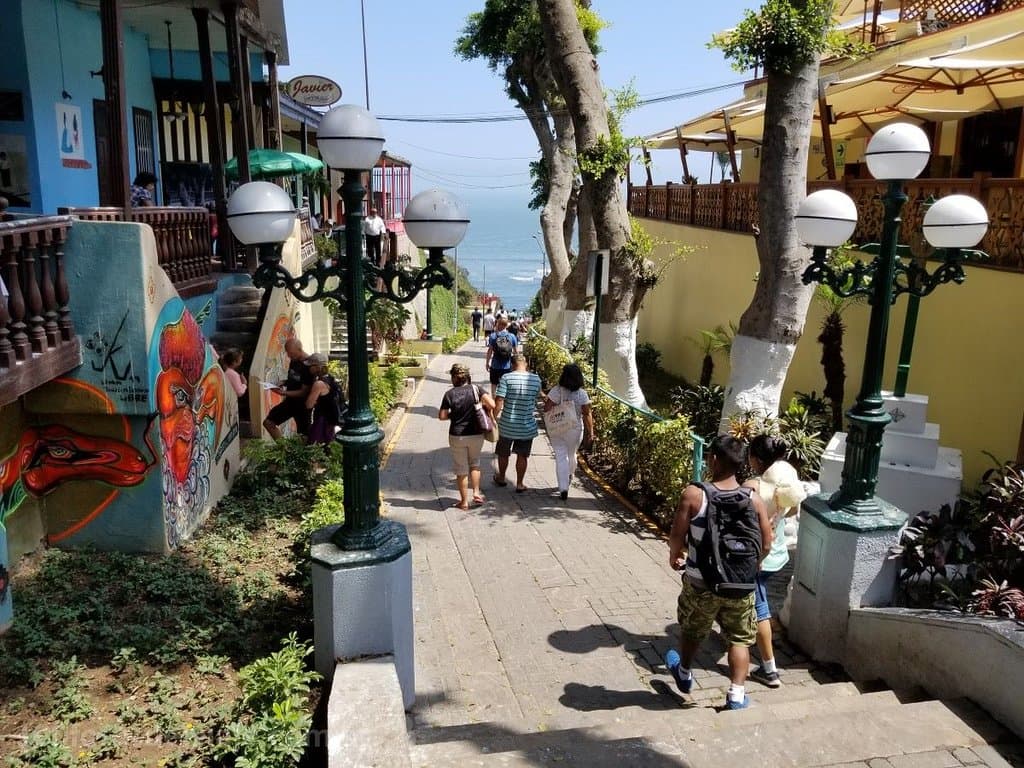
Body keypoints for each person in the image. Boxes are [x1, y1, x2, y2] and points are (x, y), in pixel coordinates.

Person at [664, 435, 772, 710]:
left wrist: (675, 555)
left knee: (692, 629)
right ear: (740, 464)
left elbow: (677, 534)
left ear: (713, 459)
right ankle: (736, 694)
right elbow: (767, 542)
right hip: (740, 584)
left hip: (701, 582)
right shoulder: (753, 499)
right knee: (739, 638)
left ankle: (685, 674)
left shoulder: (694, 494)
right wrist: (751, 565)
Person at [744, 434, 807, 688]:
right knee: (750, 601)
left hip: (758, 557)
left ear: (756, 459)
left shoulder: (755, 487)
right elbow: (790, 511)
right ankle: (738, 634)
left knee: (760, 609)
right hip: (777, 555)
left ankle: (769, 669)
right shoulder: (785, 479)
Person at [439, 363, 496, 509]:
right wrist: (481, 408)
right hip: (476, 434)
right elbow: (492, 404)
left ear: (453, 378)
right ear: (467, 377)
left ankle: (464, 502)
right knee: (475, 463)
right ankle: (476, 493)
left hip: (457, 435)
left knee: (461, 469)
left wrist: (454, 414)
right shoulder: (476, 389)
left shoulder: (449, 394)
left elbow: (442, 416)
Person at [544, 363, 595, 501]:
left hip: (557, 427)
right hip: (575, 429)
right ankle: (570, 474)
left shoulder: (557, 391)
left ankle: (563, 488)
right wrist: (590, 433)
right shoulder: (582, 394)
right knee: (571, 454)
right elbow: (587, 414)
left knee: (560, 456)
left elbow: (547, 408)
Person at [493, 353, 542, 493]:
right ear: (525, 364)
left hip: (507, 424)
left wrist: (493, 417)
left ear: (512, 365)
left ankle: (501, 477)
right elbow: (537, 398)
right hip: (527, 425)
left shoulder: (506, 378)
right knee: (522, 456)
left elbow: (499, 401)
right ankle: (520, 483)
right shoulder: (536, 379)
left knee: (503, 453)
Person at [263, 338, 314, 440]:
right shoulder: (294, 360)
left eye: (291, 353)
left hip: (302, 406)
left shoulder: (308, 365)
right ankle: (284, 450)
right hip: (290, 402)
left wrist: (284, 393)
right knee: (268, 422)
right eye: (287, 353)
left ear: (299, 349)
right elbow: (294, 378)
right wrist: (284, 382)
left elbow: (304, 392)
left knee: (304, 436)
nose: (289, 356)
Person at [305, 352, 346, 446]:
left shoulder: (318, 384)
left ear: (317, 367)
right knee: (327, 448)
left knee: (315, 449)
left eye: (310, 365)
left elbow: (308, 405)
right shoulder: (330, 379)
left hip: (322, 421)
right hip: (331, 421)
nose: (308, 368)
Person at [485, 317, 518, 396]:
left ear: (498, 324)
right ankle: (504, 404)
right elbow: (516, 352)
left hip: (495, 365)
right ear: (506, 325)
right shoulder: (512, 336)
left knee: (494, 384)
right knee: (506, 385)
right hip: (507, 366)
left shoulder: (493, 336)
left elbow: (489, 351)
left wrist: (487, 363)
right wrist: (516, 365)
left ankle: (494, 403)